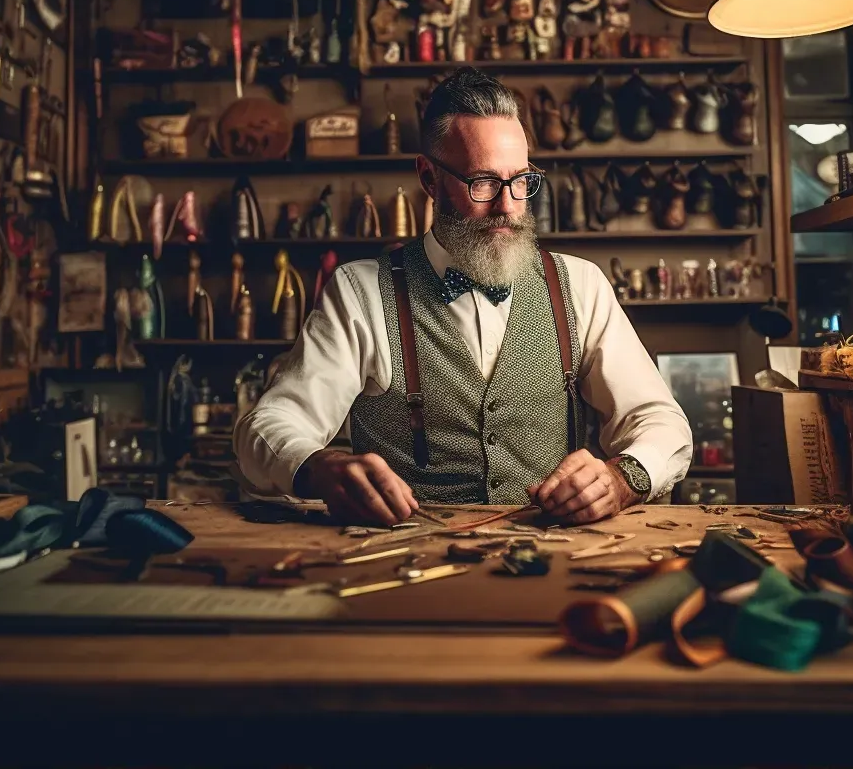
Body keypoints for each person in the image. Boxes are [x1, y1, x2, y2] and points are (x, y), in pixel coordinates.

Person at [234, 67, 691, 526]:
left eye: (520, 181)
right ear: (429, 178)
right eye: (484, 183)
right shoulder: (361, 292)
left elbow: (663, 423)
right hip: (403, 561)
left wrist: (621, 478)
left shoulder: (581, 285)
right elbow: (268, 427)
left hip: (555, 558)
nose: (508, 206)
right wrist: (319, 469)